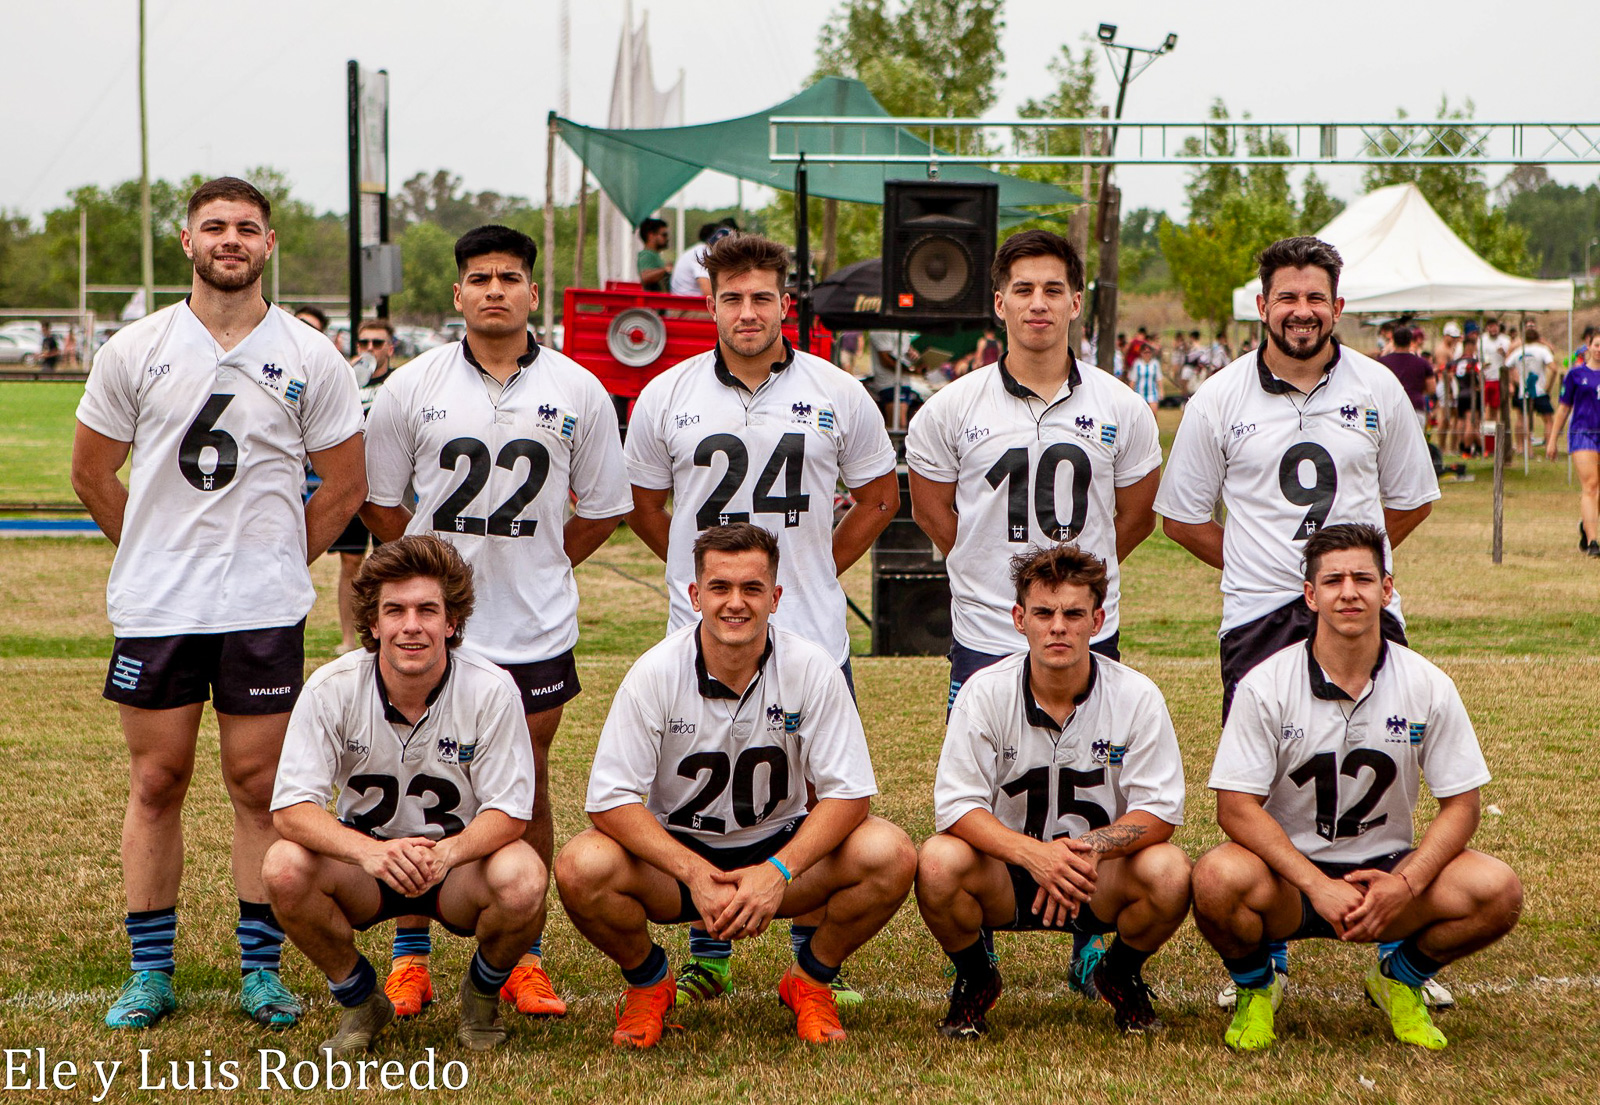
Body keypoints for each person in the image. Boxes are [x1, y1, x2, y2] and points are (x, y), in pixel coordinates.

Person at [70, 176, 366, 1031]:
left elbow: (345, 484)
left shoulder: (312, 355)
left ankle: (260, 970)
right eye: (214, 226)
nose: (229, 239)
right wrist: (152, 549)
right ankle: (150, 972)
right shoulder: (137, 346)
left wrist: (277, 558)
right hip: (159, 607)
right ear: (188, 242)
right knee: (157, 779)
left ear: (269, 244)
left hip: (262, 608)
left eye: (246, 227)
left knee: (258, 784)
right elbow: (92, 473)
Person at [1153, 235, 1441, 1008]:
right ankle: (1268, 951)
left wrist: (1349, 579)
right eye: (1288, 296)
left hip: (1362, 612)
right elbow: (1181, 516)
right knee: (1265, 781)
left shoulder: (1378, 387)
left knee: (1384, 766)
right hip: (1258, 616)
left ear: (1338, 306)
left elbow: (1410, 499)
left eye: (1316, 297)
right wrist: (1263, 565)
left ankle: (1394, 939)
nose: (1302, 311)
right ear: (1263, 305)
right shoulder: (1218, 397)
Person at [361, 224, 632, 1019]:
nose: (493, 290)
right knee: (417, 780)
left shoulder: (579, 388)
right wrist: (430, 589)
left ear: (532, 292)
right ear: (457, 294)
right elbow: (382, 503)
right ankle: (411, 955)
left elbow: (604, 509)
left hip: (534, 624)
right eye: (478, 277)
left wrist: (546, 560)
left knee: (528, 784)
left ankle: (523, 956)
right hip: (432, 627)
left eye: (509, 277)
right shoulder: (412, 385)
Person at [624, 232, 897, 1006]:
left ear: (787, 304)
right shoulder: (667, 394)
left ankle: (808, 961)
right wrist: (698, 580)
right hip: (703, 634)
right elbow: (645, 505)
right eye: (733, 297)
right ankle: (710, 943)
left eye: (762, 297)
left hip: (809, 629)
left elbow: (880, 496)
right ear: (708, 303)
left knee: (813, 795)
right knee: (700, 792)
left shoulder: (840, 392)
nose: (748, 311)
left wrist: (810, 571)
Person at [906, 228, 1160, 998]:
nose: (1039, 303)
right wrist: (999, 587)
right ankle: (976, 956)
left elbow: (1134, 516)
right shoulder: (950, 408)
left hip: (1084, 632)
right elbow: (934, 511)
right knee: (980, 799)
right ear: (998, 302)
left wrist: (1071, 597)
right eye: (1023, 289)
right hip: (985, 634)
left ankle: (1090, 936)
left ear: (1077, 301)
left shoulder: (1123, 406)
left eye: (1054, 289)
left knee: (1090, 785)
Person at [555, 524, 916, 1048]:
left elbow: (849, 794)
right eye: (720, 588)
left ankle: (810, 979)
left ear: (776, 597)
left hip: (776, 846)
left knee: (891, 852)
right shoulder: (655, 672)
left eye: (752, 589)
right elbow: (609, 801)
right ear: (695, 595)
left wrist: (777, 871)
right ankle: (649, 982)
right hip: (677, 854)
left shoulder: (812, 667)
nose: (736, 604)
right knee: (580, 865)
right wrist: (696, 873)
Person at [1193, 523, 1521, 1052]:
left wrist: (1407, 884)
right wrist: (1317, 886)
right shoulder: (1265, 684)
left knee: (1497, 891)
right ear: (1310, 595)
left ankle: (1400, 979)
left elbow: (1462, 804)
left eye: (1364, 579)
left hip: (1386, 873)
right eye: (1334, 580)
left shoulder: (1427, 683)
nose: (1349, 592)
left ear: (1386, 590)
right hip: (1290, 881)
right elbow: (1234, 809)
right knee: (1214, 878)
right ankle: (1257, 987)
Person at [263, 535, 544, 1055]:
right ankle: (360, 1000)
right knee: (283, 866)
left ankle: (480, 995)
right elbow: (291, 809)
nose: (411, 625)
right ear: (373, 622)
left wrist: (447, 854)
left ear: (452, 621)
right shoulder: (331, 688)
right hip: (364, 866)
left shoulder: (491, 688)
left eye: (427, 610)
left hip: (456, 869)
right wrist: (371, 852)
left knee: (524, 877)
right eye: (395, 610)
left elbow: (509, 813)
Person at [916, 545, 1190, 1038]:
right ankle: (977, 976)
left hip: (1094, 875)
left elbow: (1160, 810)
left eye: (1073, 613)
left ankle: (1120, 972)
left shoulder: (1137, 695)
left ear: (1098, 620)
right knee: (938, 862)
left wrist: (1085, 853)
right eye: (1043, 613)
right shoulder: (984, 691)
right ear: (1020, 619)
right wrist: (1036, 856)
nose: (1058, 626)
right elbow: (956, 806)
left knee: (1169, 872)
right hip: (1006, 873)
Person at [330, 319, 400, 653]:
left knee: (390, 564)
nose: (369, 349)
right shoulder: (347, 380)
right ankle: (348, 639)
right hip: (352, 486)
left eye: (376, 342)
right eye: (363, 343)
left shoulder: (399, 383)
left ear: (390, 347)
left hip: (388, 490)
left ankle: (385, 634)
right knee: (350, 563)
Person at [1546, 336, 1600, 556]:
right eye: (1597, 345)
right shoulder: (1576, 375)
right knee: (1591, 485)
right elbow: (1563, 409)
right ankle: (1594, 542)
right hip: (1582, 434)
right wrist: (1552, 439)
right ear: (1589, 346)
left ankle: (1586, 526)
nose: (1599, 350)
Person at [1375, 325, 1435, 435]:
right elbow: (1431, 388)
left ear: (1393, 340)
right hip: (1415, 406)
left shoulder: (1382, 362)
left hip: (1389, 408)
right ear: (1411, 341)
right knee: (1415, 444)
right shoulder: (1422, 363)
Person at [1511, 325, 1556, 448]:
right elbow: (1554, 369)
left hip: (1523, 391)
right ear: (1537, 338)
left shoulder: (1518, 351)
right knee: (1548, 419)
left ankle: (1523, 447)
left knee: (1522, 419)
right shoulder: (1542, 350)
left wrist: (1516, 382)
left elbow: (1507, 366)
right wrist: (1548, 387)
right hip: (1540, 391)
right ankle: (1549, 447)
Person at [1444, 332, 1482, 457]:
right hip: (1472, 394)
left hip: (1460, 393)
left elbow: (1447, 375)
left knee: (1460, 421)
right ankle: (1466, 449)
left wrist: (1450, 391)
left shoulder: (1455, 363)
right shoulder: (1474, 362)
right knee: (1471, 422)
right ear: (1470, 347)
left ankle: (1460, 444)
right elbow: (1480, 377)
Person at [669, 222, 727, 297]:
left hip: (685, 302)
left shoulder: (700, 249)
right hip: (687, 305)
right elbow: (707, 292)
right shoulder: (702, 253)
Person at [636, 218, 671, 293]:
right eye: (664, 235)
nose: (667, 238)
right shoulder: (647, 255)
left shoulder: (654, 255)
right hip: (654, 303)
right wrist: (665, 270)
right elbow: (645, 277)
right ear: (651, 235)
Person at [1130, 340, 1162, 416]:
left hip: (1152, 393)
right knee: (1141, 415)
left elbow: (1159, 378)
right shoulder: (1137, 364)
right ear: (1141, 353)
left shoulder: (1155, 364)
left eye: (1149, 352)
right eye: (1145, 352)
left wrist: (1161, 391)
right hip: (1140, 393)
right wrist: (1131, 392)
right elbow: (1133, 380)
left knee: (1153, 414)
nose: (1147, 354)